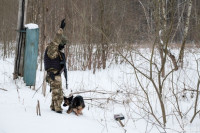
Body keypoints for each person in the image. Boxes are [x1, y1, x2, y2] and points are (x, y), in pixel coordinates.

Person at [44, 19, 68, 113]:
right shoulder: (52, 49)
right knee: (58, 93)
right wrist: (61, 29)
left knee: (56, 92)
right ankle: (57, 108)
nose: (63, 46)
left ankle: (54, 107)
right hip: (53, 74)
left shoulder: (55, 51)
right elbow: (56, 39)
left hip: (55, 74)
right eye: (62, 45)